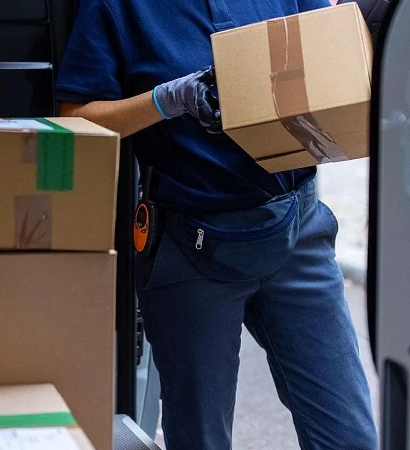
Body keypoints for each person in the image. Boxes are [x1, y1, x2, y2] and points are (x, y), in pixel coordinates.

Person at [56, 1, 379, 449]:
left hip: (296, 232)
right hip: (191, 247)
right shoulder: (117, 7)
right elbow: (74, 120)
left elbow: (326, 57)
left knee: (350, 437)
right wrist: (166, 100)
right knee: (200, 440)